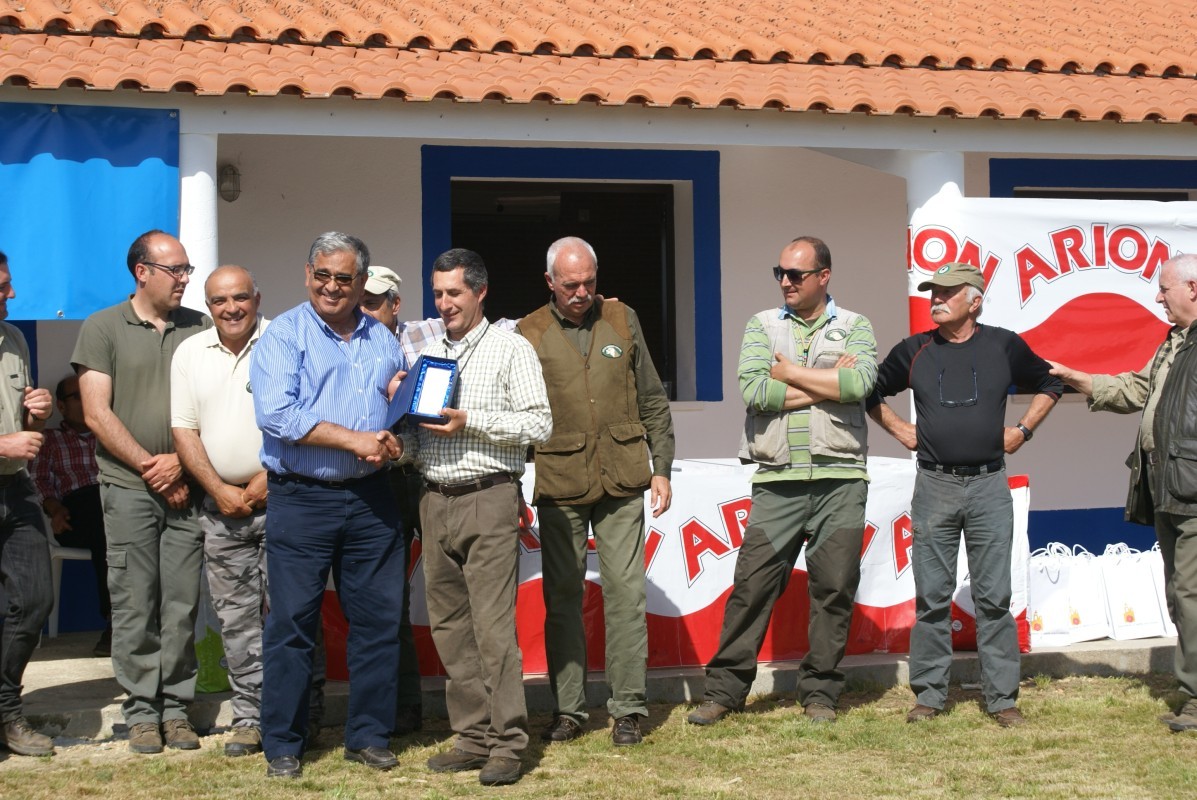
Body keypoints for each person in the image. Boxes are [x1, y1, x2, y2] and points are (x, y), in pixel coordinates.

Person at [686, 236, 876, 727]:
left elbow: (860, 384)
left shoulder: (856, 325)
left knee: (834, 589)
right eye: (780, 273)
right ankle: (724, 692)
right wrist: (826, 383)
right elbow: (755, 391)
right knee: (751, 587)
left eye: (796, 274)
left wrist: (789, 373)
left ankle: (820, 695)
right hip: (777, 479)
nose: (785, 282)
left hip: (841, 479)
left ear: (823, 276)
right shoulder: (761, 325)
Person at [867, 261, 1061, 727]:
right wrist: (898, 429)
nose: (936, 299)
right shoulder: (913, 350)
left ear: (975, 301)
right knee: (932, 597)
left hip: (989, 484)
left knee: (994, 598)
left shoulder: (1004, 345)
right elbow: (867, 389)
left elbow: (1052, 382)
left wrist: (1023, 430)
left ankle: (1002, 700)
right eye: (933, 292)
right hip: (934, 485)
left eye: (948, 292)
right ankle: (929, 696)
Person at [251, 232, 406, 779]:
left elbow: (390, 415)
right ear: (307, 274)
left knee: (378, 622)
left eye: (344, 278)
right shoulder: (283, 335)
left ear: (362, 283)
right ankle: (283, 744)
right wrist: (354, 440)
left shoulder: (384, 339)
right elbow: (277, 415)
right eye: (322, 275)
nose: (332, 287)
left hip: (371, 498)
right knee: (292, 624)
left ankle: (368, 736)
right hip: (301, 498)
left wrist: (394, 435)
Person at [516, 236, 674, 746]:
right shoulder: (527, 332)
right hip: (560, 481)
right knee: (562, 598)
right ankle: (569, 711)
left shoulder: (623, 318)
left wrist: (662, 466)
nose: (582, 293)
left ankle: (628, 708)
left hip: (623, 477)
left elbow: (652, 396)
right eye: (570, 285)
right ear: (549, 282)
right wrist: (514, 481)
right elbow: (516, 415)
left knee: (626, 594)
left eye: (589, 282)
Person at [412, 248, 552, 787]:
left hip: (488, 496)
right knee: (450, 628)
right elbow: (422, 432)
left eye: (454, 293)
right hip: (434, 497)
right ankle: (471, 736)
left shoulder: (511, 348)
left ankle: (508, 743)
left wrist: (470, 420)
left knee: (493, 630)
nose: (444, 303)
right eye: (438, 293)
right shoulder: (429, 354)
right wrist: (396, 444)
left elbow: (539, 424)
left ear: (480, 292)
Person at [72, 230, 210, 754]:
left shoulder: (198, 326)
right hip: (129, 487)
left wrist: (182, 466)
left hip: (186, 486)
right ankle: (141, 711)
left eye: (187, 269)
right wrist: (153, 468)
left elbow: (215, 405)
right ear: (142, 271)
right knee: (134, 599)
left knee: (181, 601)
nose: (185, 279)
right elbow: (95, 413)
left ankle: (176, 708)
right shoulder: (103, 327)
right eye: (176, 270)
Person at [1049, 253, 1197, 731]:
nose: (1158, 297)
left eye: (1164, 289)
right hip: (1169, 488)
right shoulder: (1175, 341)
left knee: (1191, 593)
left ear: (1193, 288)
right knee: (1181, 594)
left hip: (1192, 490)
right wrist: (1075, 377)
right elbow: (1136, 389)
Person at [170, 265, 272, 757]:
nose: (231, 308)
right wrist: (219, 488)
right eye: (219, 301)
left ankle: (301, 713)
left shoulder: (285, 341)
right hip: (221, 507)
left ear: (257, 298)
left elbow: (308, 414)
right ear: (208, 305)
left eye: (240, 297)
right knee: (237, 620)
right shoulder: (191, 352)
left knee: (293, 613)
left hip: (284, 499)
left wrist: (270, 475)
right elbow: (184, 430)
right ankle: (250, 719)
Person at [358, 264, 423, 735]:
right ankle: (404, 705)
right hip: (380, 481)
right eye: (358, 302)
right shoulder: (345, 343)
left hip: (428, 477)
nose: (363, 310)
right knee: (388, 599)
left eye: (372, 302)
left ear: (395, 304)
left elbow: (504, 324)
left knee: (453, 593)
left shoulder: (428, 335)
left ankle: (474, 710)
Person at [0, 250, 55, 758]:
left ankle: (6, 710)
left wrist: (37, 412)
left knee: (35, 598)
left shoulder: (14, 339)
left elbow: (26, 424)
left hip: (14, 488)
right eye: (2, 285)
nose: (12, 293)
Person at [31, 374, 111, 657]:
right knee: (105, 527)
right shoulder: (50, 440)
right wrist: (54, 508)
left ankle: (132, 621)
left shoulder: (111, 433)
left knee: (116, 527)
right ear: (62, 406)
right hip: (75, 512)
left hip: (115, 503)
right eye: (77, 396)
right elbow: (38, 481)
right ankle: (115, 621)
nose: (86, 400)